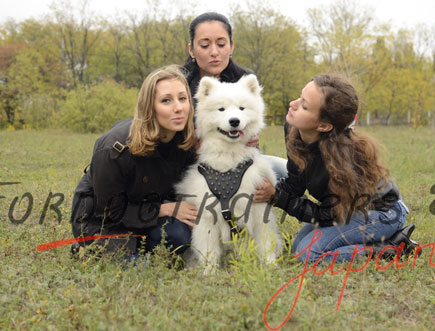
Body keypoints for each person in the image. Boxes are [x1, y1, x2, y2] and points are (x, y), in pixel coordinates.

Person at [254, 74, 418, 263]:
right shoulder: (294, 129)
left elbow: (325, 215)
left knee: (307, 255)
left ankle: (393, 248)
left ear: (324, 125)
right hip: (346, 211)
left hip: (382, 212)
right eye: (300, 97)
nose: (293, 103)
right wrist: (265, 189)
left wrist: (277, 196)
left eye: (304, 106)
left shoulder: (342, 163)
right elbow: (295, 183)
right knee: (298, 245)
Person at [71, 65, 198, 258]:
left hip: (146, 214)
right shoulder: (115, 148)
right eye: (166, 100)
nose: (178, 107)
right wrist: (164, 209)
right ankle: (88, 249)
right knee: (139, 269)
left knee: (179, 236)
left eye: (183, 98)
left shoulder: (184, 142)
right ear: (149, 106)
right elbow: (109, 212)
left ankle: (138, 249)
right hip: (103, 222)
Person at [183, 12, 287, 179]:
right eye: (204, 45)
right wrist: (190, 144)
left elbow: (251, 126)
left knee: (283, 170)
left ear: (231, 46)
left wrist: (251, 140)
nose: (214, 52)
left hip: (238, 160)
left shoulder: (245, 79)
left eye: (221, 44)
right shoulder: (178, 84)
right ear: (192, 50)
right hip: (188, 164)